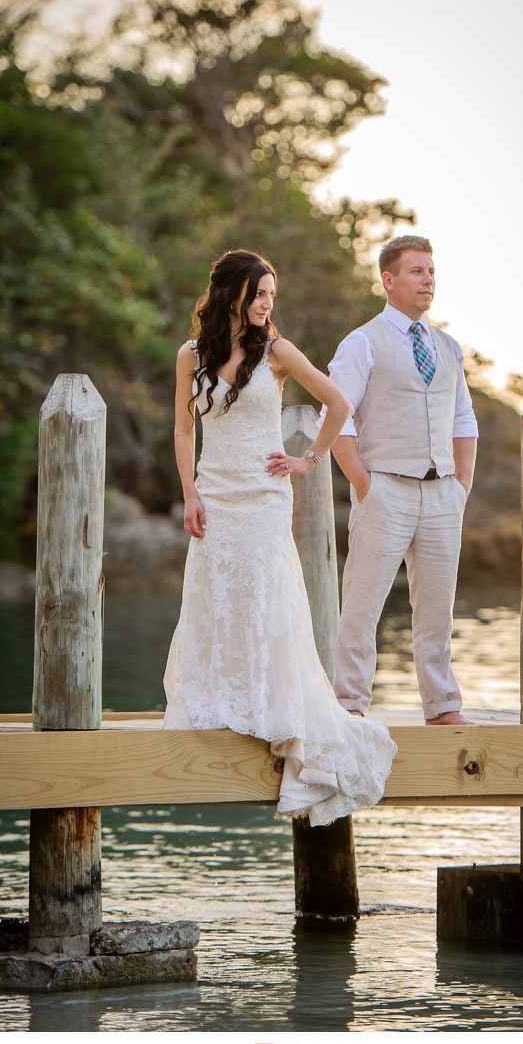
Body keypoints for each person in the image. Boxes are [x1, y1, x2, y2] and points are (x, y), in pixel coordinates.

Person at [162, 249, 397, 825]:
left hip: (265, 497)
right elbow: (183, 426)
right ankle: (219, 703)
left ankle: (272, 703)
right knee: (216, 593)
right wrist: (190, 492)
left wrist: (309, 459)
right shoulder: (190, 355)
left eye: (273, 294)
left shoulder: (279, 351)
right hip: (215, 494)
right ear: (231, 293)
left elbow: (339, 402)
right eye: (260, 292)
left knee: (266, 596)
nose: (268, 304)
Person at [323, 234, 479, 726]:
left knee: (436, 610)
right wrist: (364, 484)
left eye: (431, 271)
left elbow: (463, 419)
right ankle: (349, 702)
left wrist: (462, 485)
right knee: (362, 606)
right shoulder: (363, 342)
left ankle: (442, 706)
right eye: (416, 271)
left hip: (442, 492)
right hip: (385, 488)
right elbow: (339, 415)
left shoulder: (449, 347)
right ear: (388, 280)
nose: (427, 280)